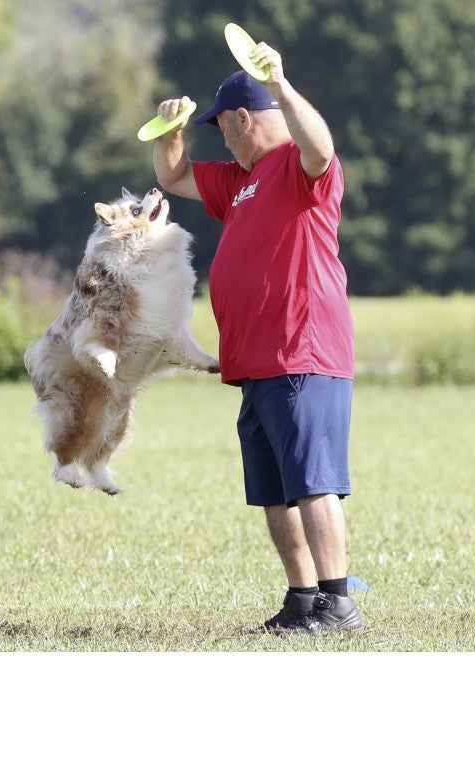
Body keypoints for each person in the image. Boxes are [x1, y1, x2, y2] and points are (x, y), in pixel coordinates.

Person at [151, 39, 364, 635]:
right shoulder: (240, 181)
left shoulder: (297, 166)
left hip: (303, 350)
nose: (220, 138)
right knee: (273, 490)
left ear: (244, 118)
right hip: (255, 361)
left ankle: (338, 602)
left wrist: (280, 83)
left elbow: (322, 147)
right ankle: (302, 600)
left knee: (313, 481)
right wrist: (171, 130)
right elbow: (175, 175)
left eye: (221, 127)